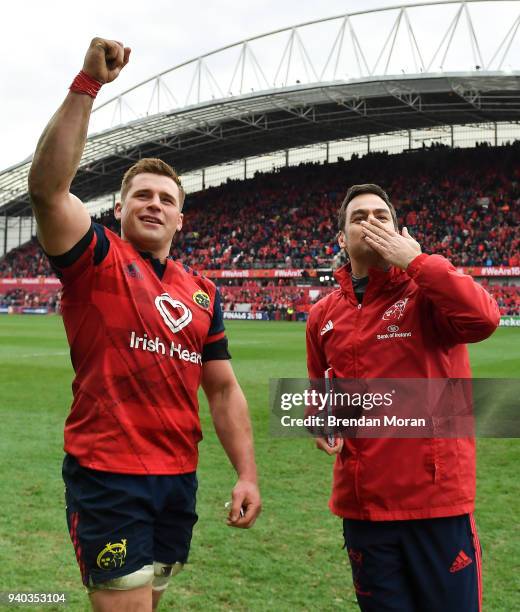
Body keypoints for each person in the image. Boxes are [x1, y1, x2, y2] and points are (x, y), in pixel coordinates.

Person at [28, 38, 261, 612]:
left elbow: (223, 387)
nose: (153, 204)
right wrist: (88, 85)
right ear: (121, 209)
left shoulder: (203, 291)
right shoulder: (97, 259)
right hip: (110, 475)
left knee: (150, 601)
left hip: (177, 480)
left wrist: (248, 474)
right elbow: (47, 190)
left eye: (165, 198)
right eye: (141, 196)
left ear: (182, 217)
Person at [306, 183, 500, 612]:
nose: (370, 222)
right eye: (358, 218)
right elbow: (320, 387)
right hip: (364, 510)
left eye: (381, 216)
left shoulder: (427, 293)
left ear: (399, 231)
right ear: (341, 239)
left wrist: (415, 261)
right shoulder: (322, 314)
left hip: (435, 506)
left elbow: (485, 318)